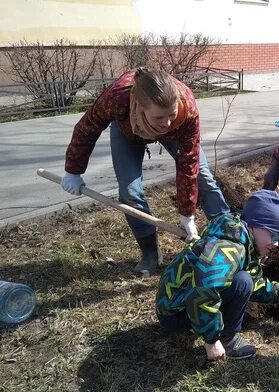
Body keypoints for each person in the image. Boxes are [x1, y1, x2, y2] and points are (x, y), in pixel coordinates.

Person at [60, 67, 230, 277]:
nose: (166, 122)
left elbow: (189, 163)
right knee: (129, 192)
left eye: (171, 114)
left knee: (202, 176)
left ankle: (229, 234)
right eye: (159, 117)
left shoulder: (187, 108)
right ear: (140, 106)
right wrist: (73, 171)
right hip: (128, 131)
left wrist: (187, 214)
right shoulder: (117, 99)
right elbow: (87, 128)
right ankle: (150, 253)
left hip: (178, 134)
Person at [155, 189, 279, 361]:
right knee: (243, 281)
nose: (276, 243)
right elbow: (203, 291)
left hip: (181, 304)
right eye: (273, 234)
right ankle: (228, 339)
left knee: (245, 279)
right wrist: (211, 340)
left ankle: (207, 328)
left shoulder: (240, 239)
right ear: (255, 225)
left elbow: (256, 283)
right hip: (175, 314)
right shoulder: (229, 249)